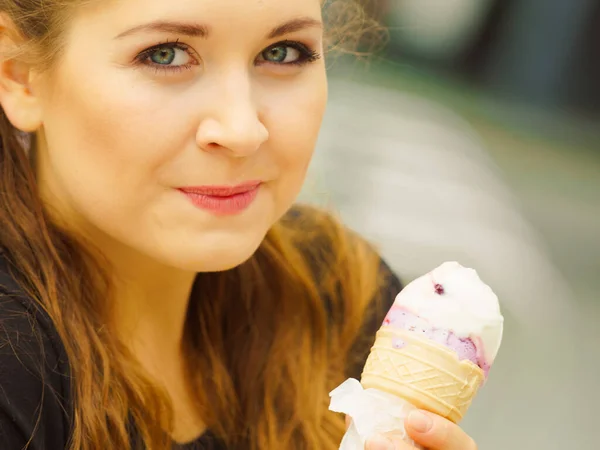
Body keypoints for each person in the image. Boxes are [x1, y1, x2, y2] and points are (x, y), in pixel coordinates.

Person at [0, 0, 479, 449]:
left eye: (283, 52)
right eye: (165, 55)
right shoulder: (13, 363)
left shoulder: (339, 295)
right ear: (18, 75)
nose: (242, 130)